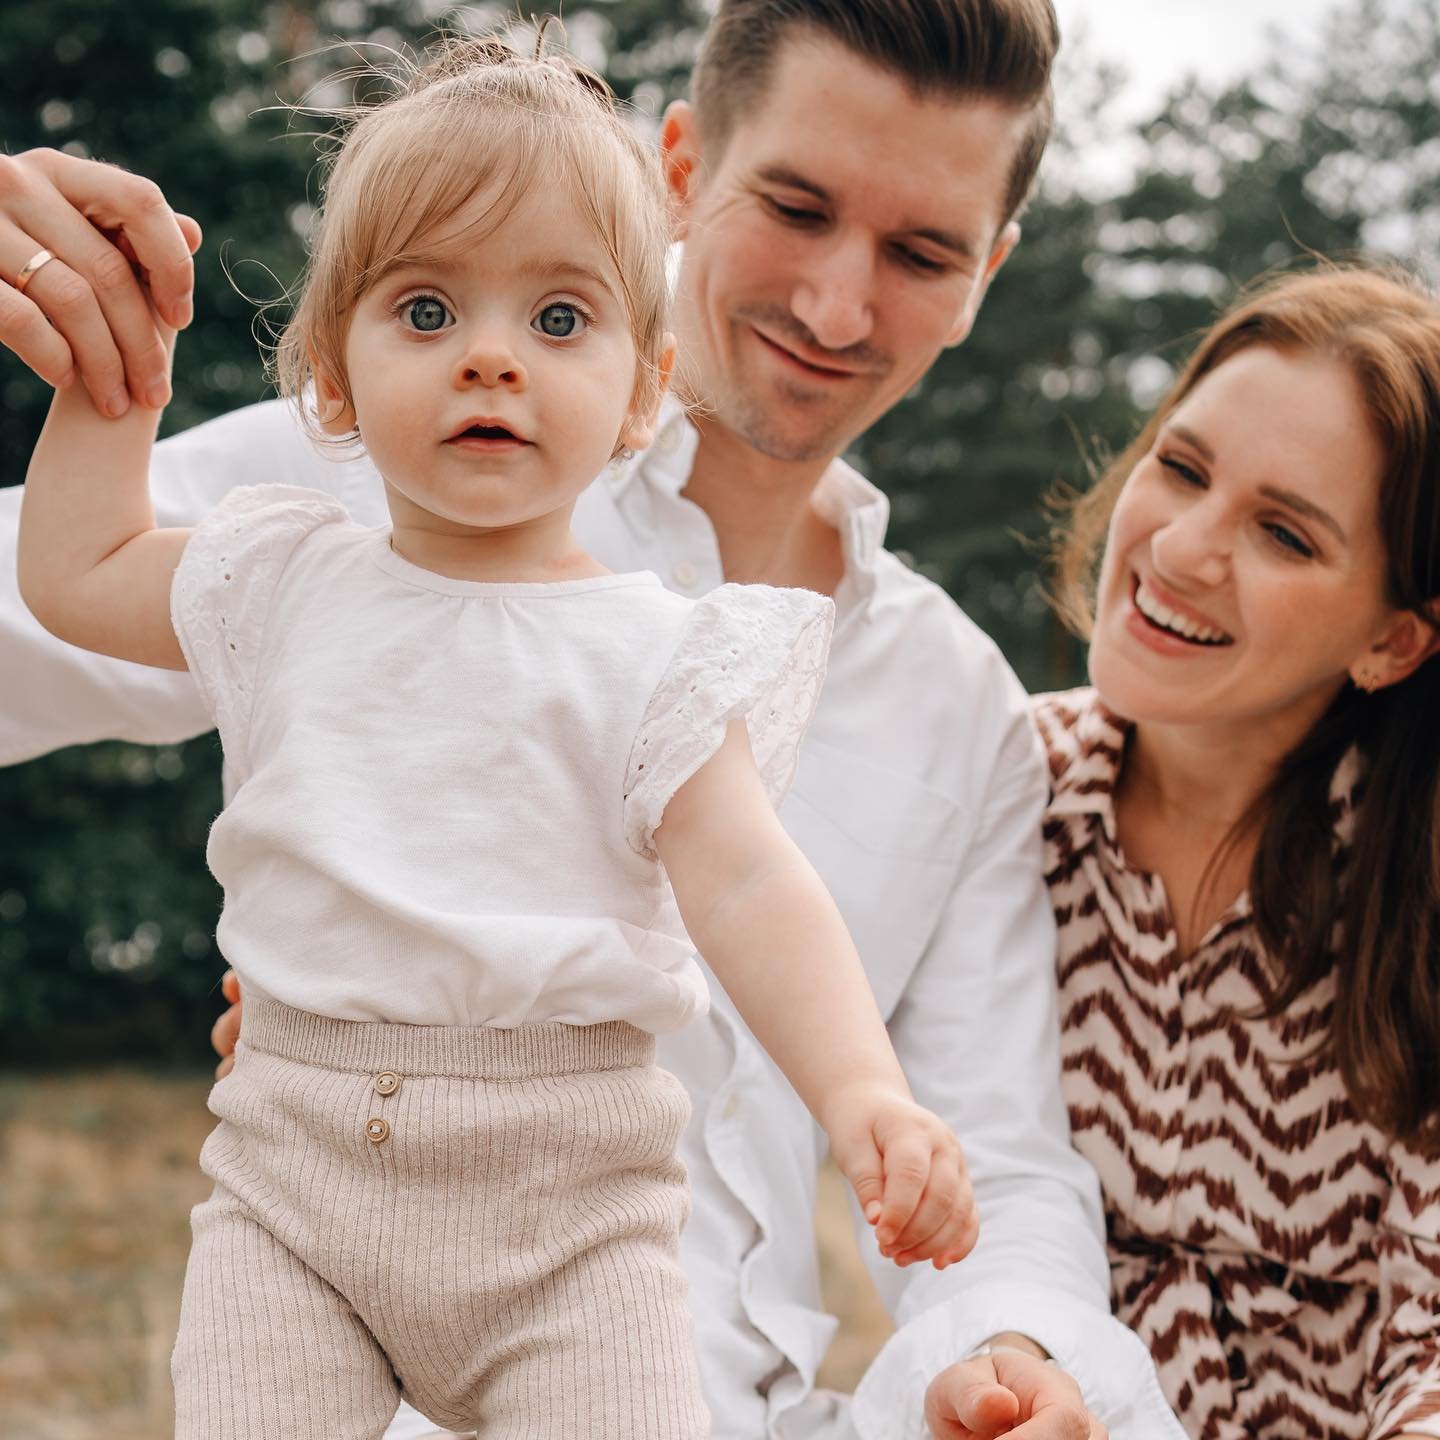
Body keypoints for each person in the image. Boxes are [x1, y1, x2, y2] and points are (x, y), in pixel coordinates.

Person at [0, 2, 1187, 1436]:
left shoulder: (953, 710)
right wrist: (95, 364)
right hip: (311, 1223)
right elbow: (62, 585)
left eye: (921, 251)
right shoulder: (334, 510)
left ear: (990, 270)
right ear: (681, 167)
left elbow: (981, 1144)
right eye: (795, 208)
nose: (833, 305)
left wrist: (1011, 1342)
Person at [930, 266, 1440, 1437]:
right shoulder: (996, 793)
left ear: (1394, 640)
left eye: (1283, 533)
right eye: (1183, 467)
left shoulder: (1418, 890)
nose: (1184, 548)